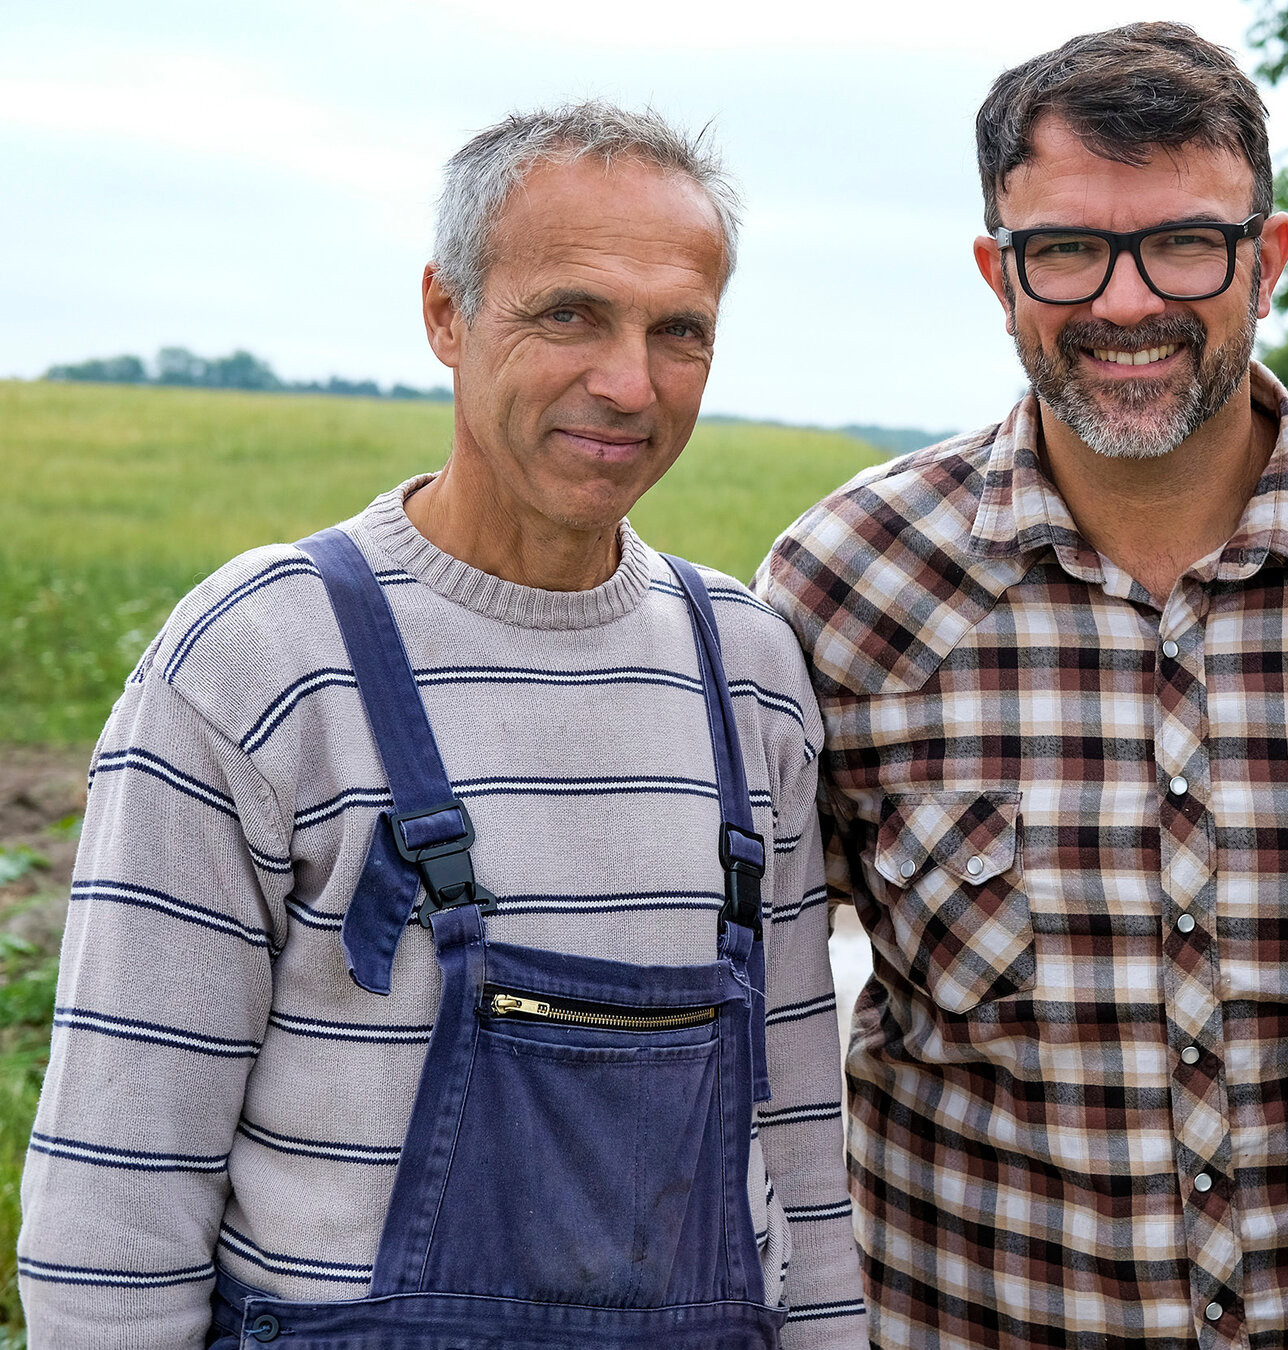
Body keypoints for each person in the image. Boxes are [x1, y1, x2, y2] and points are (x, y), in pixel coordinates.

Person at [18, 103, 865, 1349]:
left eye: (677, 331)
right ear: (446, 314)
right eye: (569, 312)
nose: (628, 382)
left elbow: (797, 1134)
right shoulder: (264, 660)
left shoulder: (743, 672)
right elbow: (117, 1189)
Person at [755, 23, 1288, 1349]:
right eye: (1065, 251)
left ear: (1266, 261)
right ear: (997, 273)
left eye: (1183, 242)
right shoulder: (843, 587)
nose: (1123, 301)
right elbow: (739, 1023)